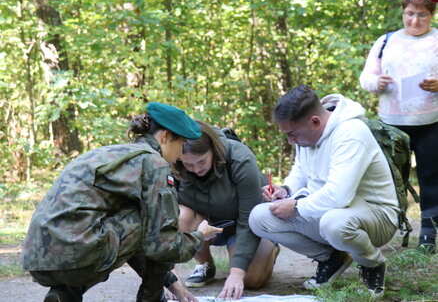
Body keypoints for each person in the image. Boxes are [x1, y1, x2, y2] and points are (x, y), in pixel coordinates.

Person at [21, 102, 222, 302]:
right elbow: (163, 244)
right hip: (76, 254)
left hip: (38, 257)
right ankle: (150, 299)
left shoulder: (111, 154)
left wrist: (171, 283)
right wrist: (198, 236)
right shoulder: (154, 163)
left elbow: (127, 237)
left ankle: (65, 295)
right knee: (156, 224)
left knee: (133, 220)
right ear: (165, 137)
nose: (180, 155)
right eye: (181, 145)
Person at [249, 85, 400, 298]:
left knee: (335, 223)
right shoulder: (307, 134)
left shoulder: (351, 133)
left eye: (292, 134)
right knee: (260, 216)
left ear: (315, 121)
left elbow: (339, 195)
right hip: (330, 210)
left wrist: (296, 206)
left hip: (377, 216)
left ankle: (372, 264)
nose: (290, 140)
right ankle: (332, 258)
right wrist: (285, 190)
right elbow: (300, 171)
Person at [360, 0, 438, 253]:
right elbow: (366, 78)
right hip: (391, 124)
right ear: (402, 12)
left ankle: (428, 234)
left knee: (431, 178)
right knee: (391, 180)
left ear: (432, 15)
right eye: (409, 14)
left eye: (422, 15)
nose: (414, 20)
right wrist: (376, 82)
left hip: (430, 123)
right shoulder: (386, 41)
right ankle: (390, 230)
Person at [174, 121, 279, 300]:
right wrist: (170, 281)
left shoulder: (240, 158)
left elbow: (249, 217)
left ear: (213, 150)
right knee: (181, 215)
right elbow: (164, 222)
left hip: (245, 223)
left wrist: (237, 273)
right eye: (188, 165)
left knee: (252, 279)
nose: (196, 169)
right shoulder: (172, 165)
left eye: (201, 161)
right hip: (207, 224)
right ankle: (205, 264)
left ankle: (270, 246)